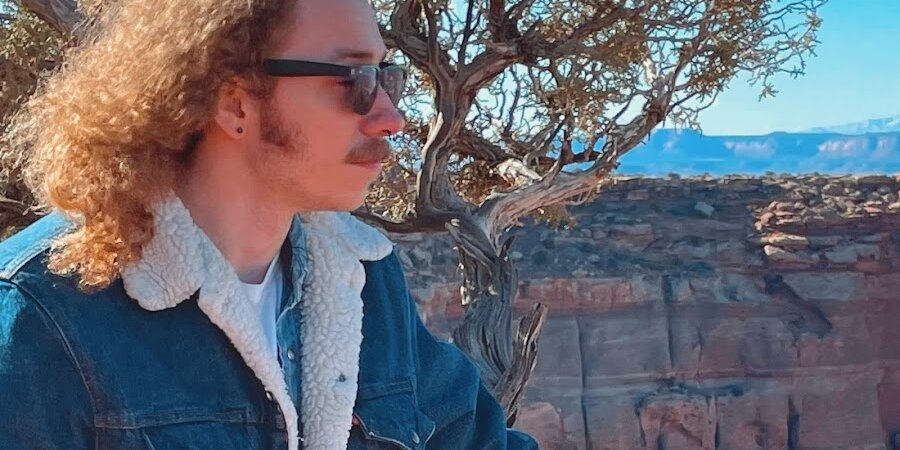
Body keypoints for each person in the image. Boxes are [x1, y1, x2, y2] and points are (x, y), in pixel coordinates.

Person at [0, 0, 539, 448]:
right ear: (235, 104)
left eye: (386, 78)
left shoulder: (363, 283)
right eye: (353, 80)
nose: (391, 118)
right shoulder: (44, 313)